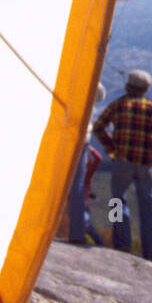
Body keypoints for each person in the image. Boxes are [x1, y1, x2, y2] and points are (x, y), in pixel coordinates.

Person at [91, 70, 152, 262]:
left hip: (122, 160)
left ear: (128, 86)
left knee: (117, 201)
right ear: (146, 88)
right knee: (150, 207)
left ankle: (121, 243)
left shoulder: (118, 105)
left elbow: (99, 127)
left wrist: (112, 147)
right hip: (146, 163)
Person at [68, 84, 108, 246]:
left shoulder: (77, 99)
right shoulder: (89, 105)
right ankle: (102, 243)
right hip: (83, 140)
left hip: (71, 138)